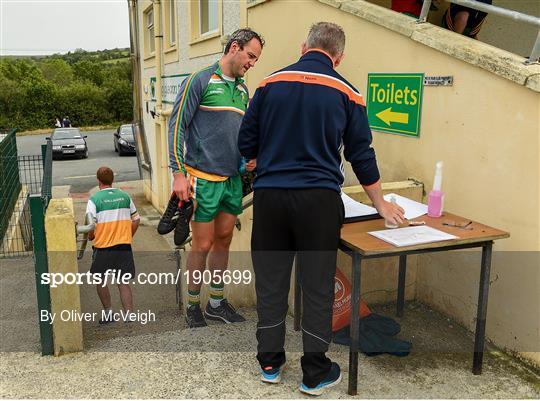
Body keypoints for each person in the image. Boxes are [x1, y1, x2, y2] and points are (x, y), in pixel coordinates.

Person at [238, 22, 405, 395]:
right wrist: (381, 205)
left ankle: (269, 363)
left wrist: (257, 159)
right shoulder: (348, 92)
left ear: (303, 47)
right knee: (316, 288)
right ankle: (314, 372)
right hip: (319, 202)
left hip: (271, 199)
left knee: (270, 284)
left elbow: (246, 140)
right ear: (339, 56)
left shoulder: (267, 84)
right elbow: (361, 154)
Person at [167, 28, 263, 328]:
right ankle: (193, 305)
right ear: (234, 47)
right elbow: (176, 126)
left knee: (224, 241)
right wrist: (178, 174)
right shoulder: (200, 79)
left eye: (255, 59)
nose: (251, 63)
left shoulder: (244, 90)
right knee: (203, 244)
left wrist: (248, 158)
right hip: (202, 179)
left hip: (232, 181)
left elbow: (242, 133)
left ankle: (216, 303)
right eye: (250, 56)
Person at [86, 166, 140, 324]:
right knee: (123, 282)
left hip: (103, 247)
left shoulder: (94, 200)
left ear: (98, 181)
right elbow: (136, 219)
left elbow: (91, 225)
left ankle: (109, 313)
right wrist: (128, 235)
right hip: (123, 246)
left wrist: (91, 236)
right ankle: (129, 315)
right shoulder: (124, 196)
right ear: (112, 180)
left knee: (100, 280)